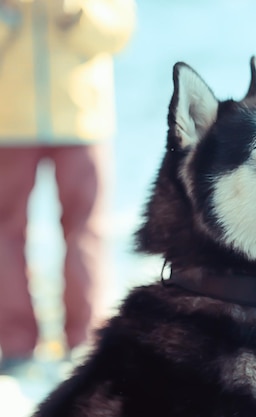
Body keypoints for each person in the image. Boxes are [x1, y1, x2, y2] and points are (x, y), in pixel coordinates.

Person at [0, 0, 135, 372]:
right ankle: (14, 343)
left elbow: (119, 32)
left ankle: (84, 340)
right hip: (8, 123)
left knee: (86, 230)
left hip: (82, 120)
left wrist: (74, 11)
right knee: (4, 231)